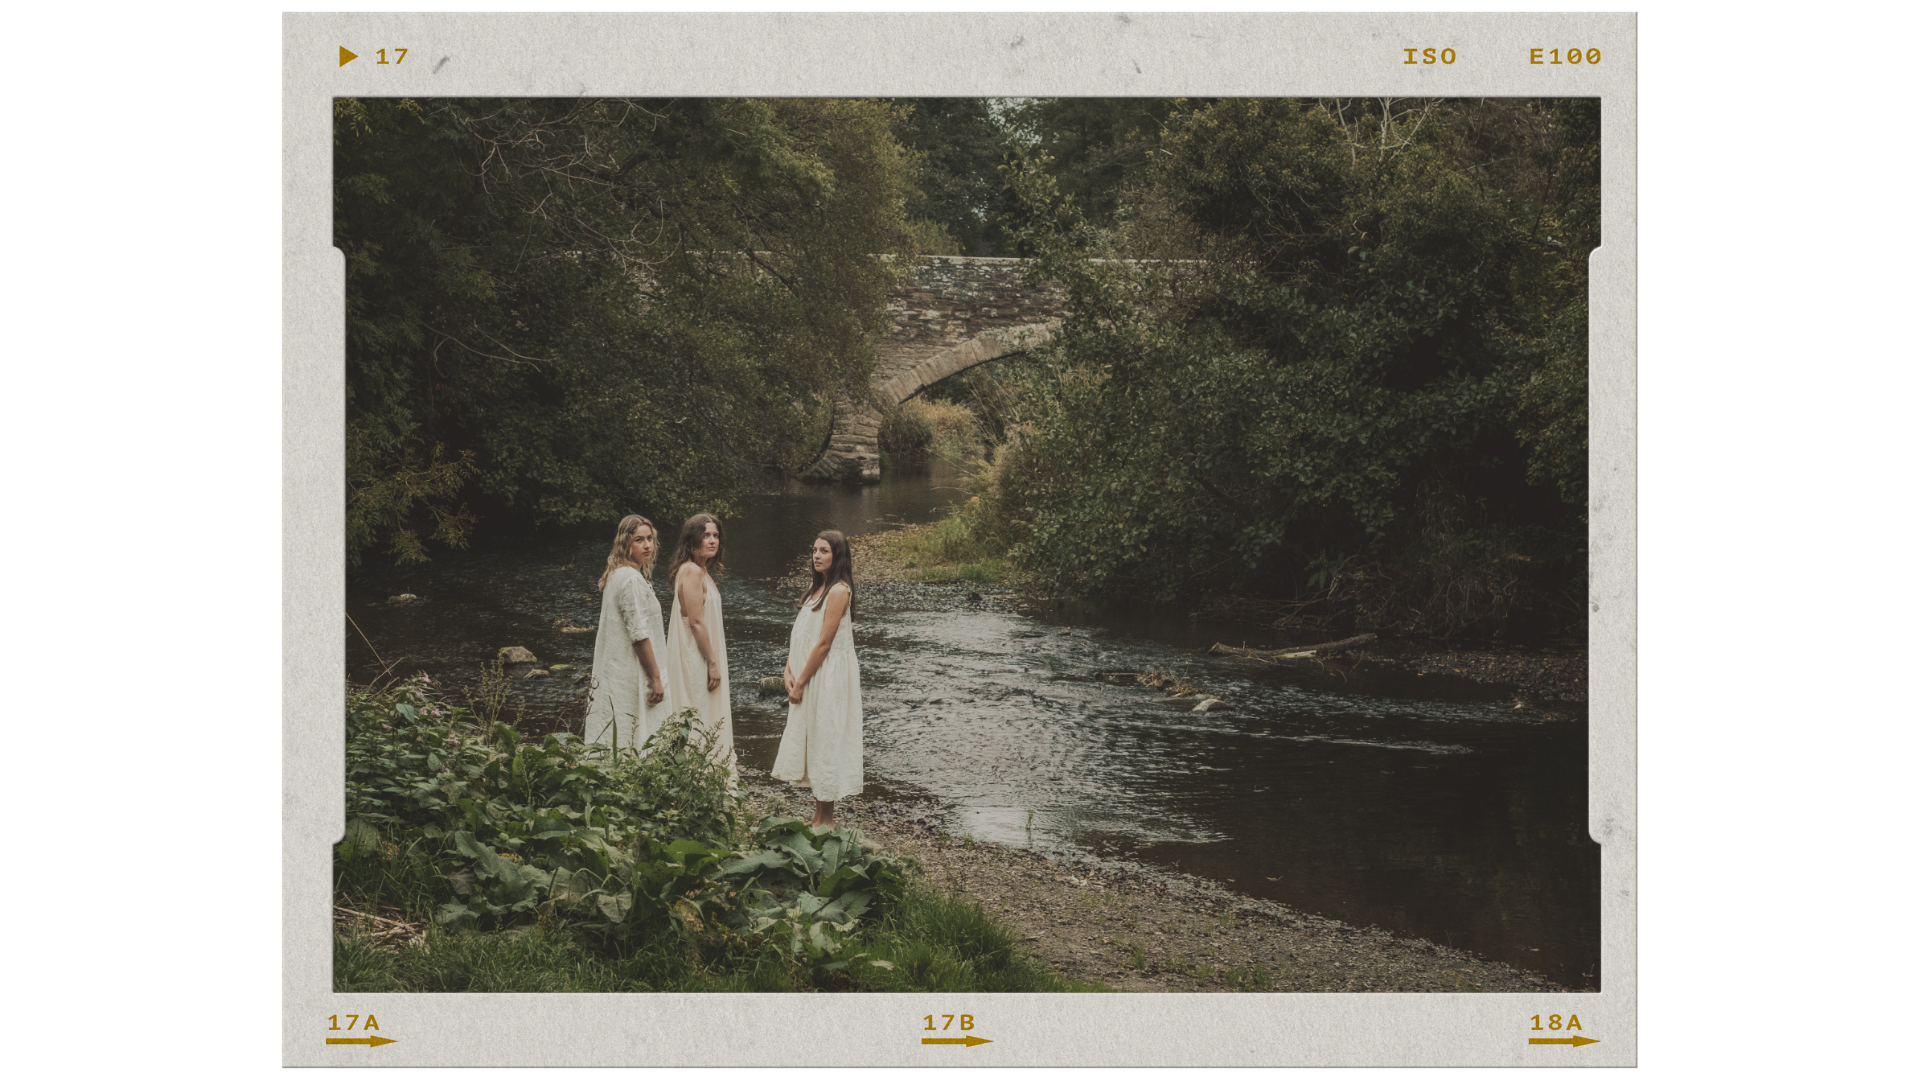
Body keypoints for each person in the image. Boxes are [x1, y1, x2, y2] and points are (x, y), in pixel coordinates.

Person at [771, 530, 863, 829]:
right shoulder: (816, 590)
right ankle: (817, 816)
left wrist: (800, 683)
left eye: (824, 551)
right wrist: (788, 669)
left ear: (837, 556)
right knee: (813, 736)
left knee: (826, 737)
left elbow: (824, 643)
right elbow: (802, 636)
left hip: (828, 676)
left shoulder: (838, 590)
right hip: (809, 674)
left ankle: (827, 820)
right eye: (814, 550)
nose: (816, 556)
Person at [583, 515, 668, 756]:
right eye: (639, 540)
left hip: (616, 668)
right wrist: (656, 678)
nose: (647, 545)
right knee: (633, 732)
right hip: (630, 671)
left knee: (618, 728)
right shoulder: (630, 580)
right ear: (625, 543)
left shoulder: (617, 574)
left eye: (650, 539)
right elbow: (639, 634)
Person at [664, 512, 737, 785]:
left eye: (715, 535)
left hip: (703, 654)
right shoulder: (692, 571)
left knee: (705, 713)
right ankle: (698, 780)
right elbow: (695, 622)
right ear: (692, 538)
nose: (712, 540)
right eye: (705, 535)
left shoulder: (700, 570)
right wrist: (712, 662)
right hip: (697, 657)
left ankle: (705, 777)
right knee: (698, 710)